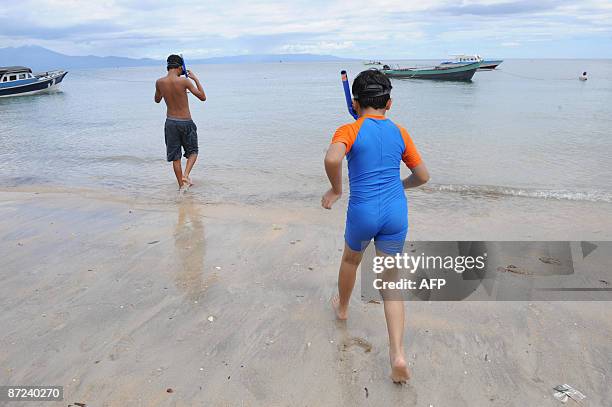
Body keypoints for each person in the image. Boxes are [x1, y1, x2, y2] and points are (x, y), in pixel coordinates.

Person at [321, 69, 430, 383]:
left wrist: (336, 189)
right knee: (390, 281)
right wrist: (400, 186)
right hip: (395, 212)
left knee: (351, 259)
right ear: (390, 103)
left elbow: (332, 159)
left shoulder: (350, 129)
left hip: (363, 211)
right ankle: (397, 354)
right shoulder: (400, 132)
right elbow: (423, 176)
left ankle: (342, 308)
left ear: (355, 103)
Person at [155, 54, 206, 189]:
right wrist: (195, 79)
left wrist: (166, 91)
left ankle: (181, 186)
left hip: (170, 123)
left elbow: (157, 99)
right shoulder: (184, 81)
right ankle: (186, 175)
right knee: (193, 151)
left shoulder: (160, 82)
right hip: (185, 122)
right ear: (179, 68)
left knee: (175, 157)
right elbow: (202, 97)